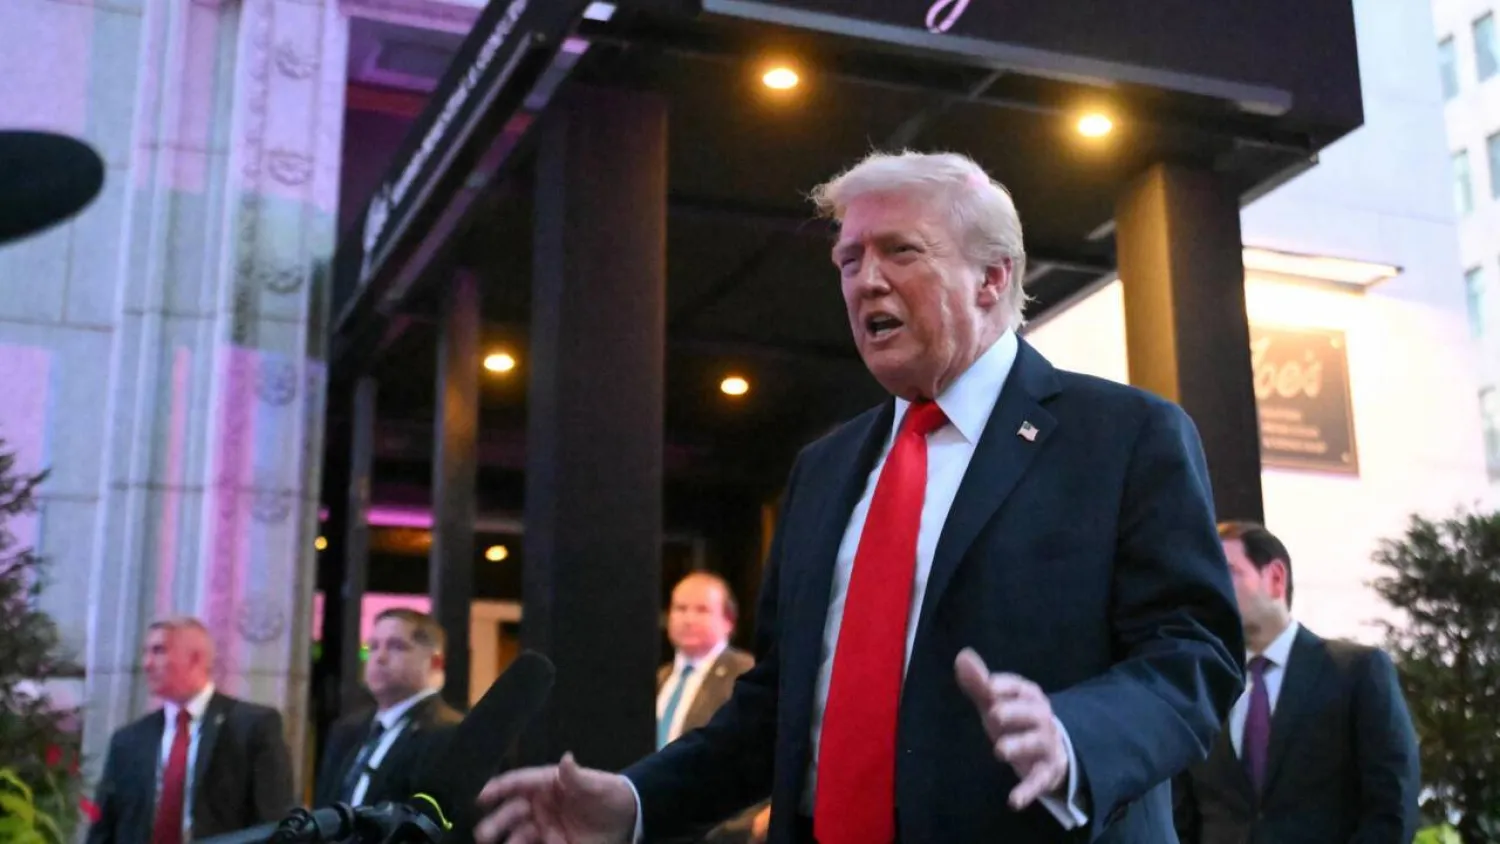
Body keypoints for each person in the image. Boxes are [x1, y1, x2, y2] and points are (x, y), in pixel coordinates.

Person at [474, 150, 1246, 843]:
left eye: (900, 250)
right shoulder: (825, 469)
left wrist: (1078, 737)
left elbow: (1193, 653)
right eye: (849, 259)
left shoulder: (1123, 437)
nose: (865, 280)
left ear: (992, 277)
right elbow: (775, 709)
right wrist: (639, 801)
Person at [1173, 522, 1421, 843]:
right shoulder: (1201, 689)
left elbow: (1392, 806)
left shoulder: (1356, 671)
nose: (1213, 588)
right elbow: (1183, 817)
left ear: (1276, 578)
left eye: (1228, 571)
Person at [86, 617, 294, 844]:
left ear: (195, 658)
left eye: (159, 651)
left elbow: (273, 821)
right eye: (146, 652)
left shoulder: (252, 726)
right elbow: (104, 830)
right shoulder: (128, 740)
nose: (147, 663)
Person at [655, 573, 767, 844]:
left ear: (728, 621)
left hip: (724, 832)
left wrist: (755, 823)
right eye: (680, 608)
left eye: (702, 610)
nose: (688, 618)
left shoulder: (747, 674)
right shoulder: (659, 678)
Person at [314, 608, 462, 809]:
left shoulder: (449, 733)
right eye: (373, 647)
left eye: (396, 646)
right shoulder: (346, 731)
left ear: (435, 662)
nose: (379, 657)